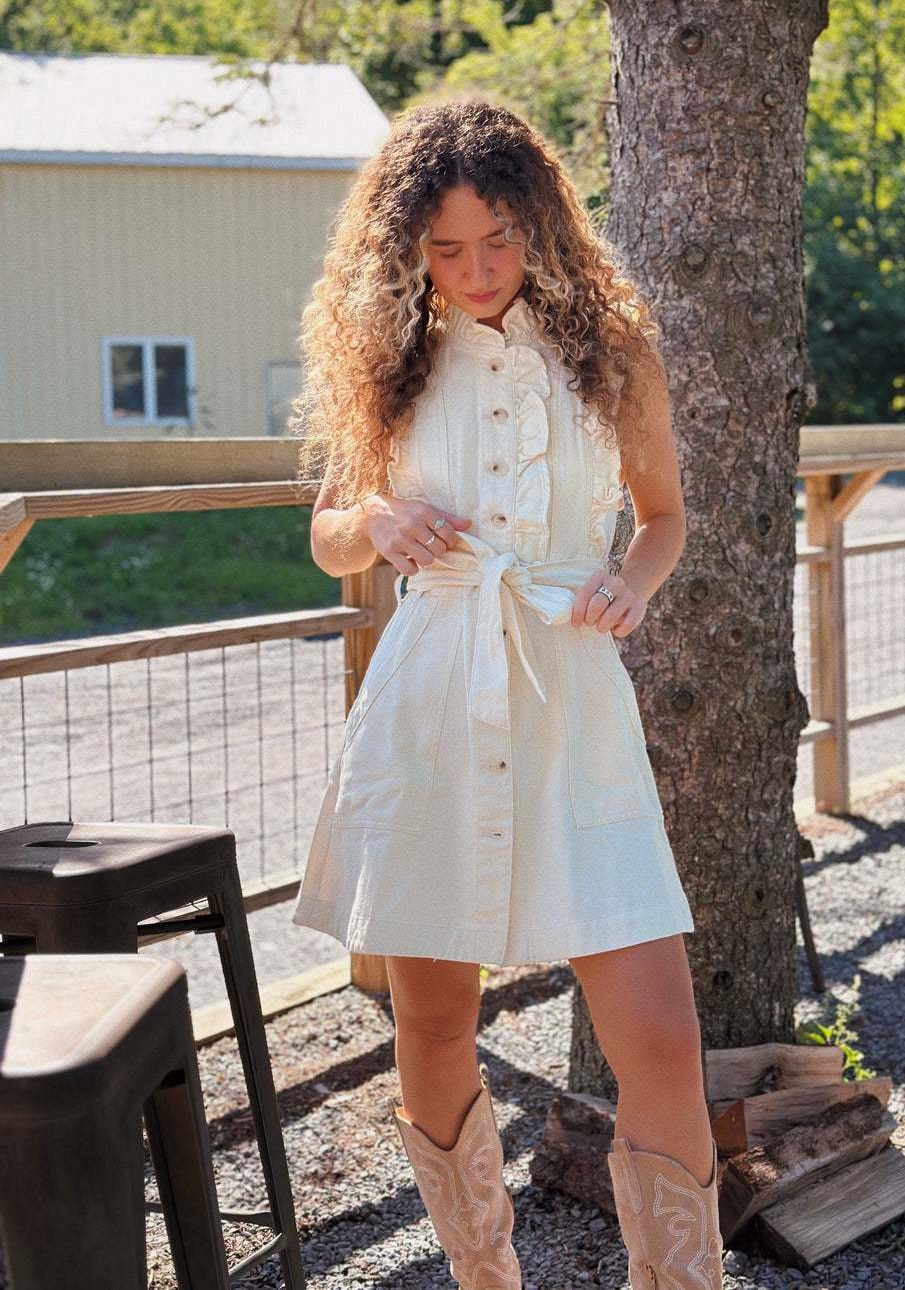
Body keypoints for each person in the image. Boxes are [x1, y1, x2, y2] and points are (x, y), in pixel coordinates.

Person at [292, 101, 722, 1290]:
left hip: (571, 702)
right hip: (431, 703)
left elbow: (662, 516)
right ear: (407, 248)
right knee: (430, 1023)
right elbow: (329, 534)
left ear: (541, 226)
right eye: (444, 248)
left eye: (497, 241)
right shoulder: (389, 355)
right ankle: (485, 1277)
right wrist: (372, 520)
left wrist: (632, 586)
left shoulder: (611, 348)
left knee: (665, 1047)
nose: (474, 270)